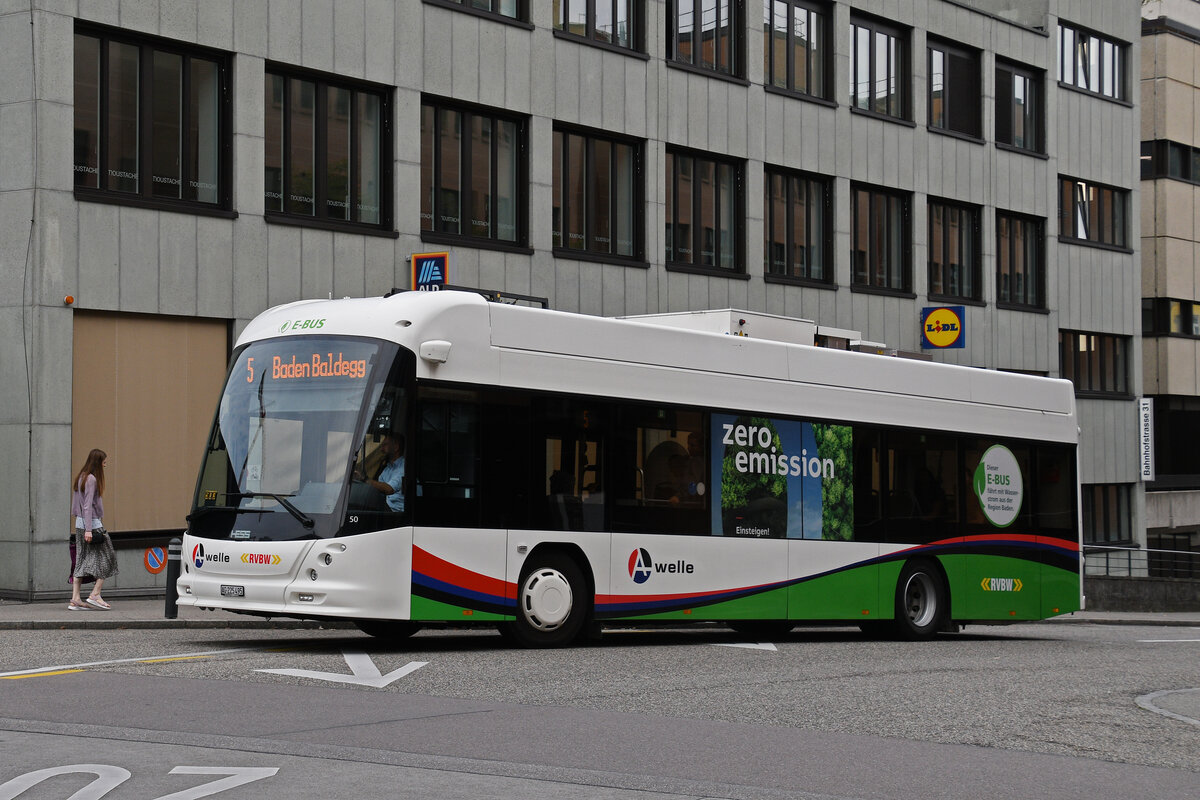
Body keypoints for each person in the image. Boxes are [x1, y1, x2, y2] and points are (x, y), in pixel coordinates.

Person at [69, 448, 118, 610]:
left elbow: (78, 505)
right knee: (108, 557)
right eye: (104, 461)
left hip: (80, 524)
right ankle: (95, 594)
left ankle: (75, 598)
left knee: (81, 560)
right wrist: (90, 529)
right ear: (97, 462)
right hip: (92, 525)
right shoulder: (91, 479)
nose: (105, 464)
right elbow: (87, 505)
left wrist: (84, 526)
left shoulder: (81, 476)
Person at [363, 434, 405, 512]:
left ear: (396, 447)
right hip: (386, 510)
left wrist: (365, 479)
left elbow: (389, 489)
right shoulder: (387, 469)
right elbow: (378, 491)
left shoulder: (404, 467)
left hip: (399, 514)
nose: (381, 449)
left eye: (385, 445)